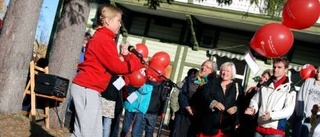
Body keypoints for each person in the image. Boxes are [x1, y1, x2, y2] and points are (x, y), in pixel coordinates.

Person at [70, 4, 144, 137]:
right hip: (87, 87)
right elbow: (116, 67)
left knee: (95, 133)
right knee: (85, 133)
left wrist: (128, 57)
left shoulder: (106, 38)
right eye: (118, 21)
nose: (120, 25)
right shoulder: (103, 39)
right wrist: (136, 62)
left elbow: (116, 65)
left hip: (93, 89)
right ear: (108, 21)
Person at [245, 57, 296, 137]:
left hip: (276, 130)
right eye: (274, 67)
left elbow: (289, 110)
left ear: (286, 70)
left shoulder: (289, 87)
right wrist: (253, 108)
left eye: (279, 67)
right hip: (260, 127)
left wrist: (271, 115)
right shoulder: (265, 84)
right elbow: (255, 100)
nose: (275, 70)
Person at [170, 60, 217, 137]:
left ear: (212, 71)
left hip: (198, 117)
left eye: (207, 67)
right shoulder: (191, 79)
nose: (203, 68)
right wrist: (187, 106)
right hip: (184, 113)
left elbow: (208, 99)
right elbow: (182, 93)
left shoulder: (213, 84)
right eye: (203, 65)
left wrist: (196, 109)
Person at [199, 61, 244, 137]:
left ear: (232, 73)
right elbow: (203, 95)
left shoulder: (237, 87)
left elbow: (242, 103)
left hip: (227, 127)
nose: (225, 73)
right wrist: (213, 103)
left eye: (228, 71)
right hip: (210, 124)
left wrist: (235, 108)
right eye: (223, 70)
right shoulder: (212, 83)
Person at [238, 69, 272, 137]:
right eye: (263, 76)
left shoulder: (267, 94)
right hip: (243, 120)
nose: (263, 79)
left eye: (266, 79)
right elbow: (243, 103)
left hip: (254, 123)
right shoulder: (252, 89)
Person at [291, 67, 320, 137]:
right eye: (318, 72)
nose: (319, 74)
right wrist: (300, 113)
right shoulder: (309, 81)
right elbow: (300, 97)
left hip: (313, 119)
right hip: (301, 117)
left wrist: (315, 116)